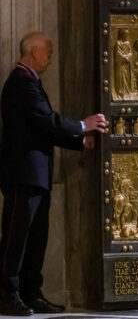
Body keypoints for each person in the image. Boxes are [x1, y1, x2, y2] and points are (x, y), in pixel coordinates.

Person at [0, 32, 106, 315]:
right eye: (48, 52)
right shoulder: (20, 82)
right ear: (34, 52)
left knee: (36, 239)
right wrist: (82, 126)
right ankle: (7, 295)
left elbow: (42, 129)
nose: (50, 58)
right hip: (22, 175)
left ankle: (30, 292)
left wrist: (79, 142)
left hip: (37, 176)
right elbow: (48, 121)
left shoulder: (31, 81)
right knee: (16, 238)